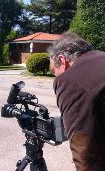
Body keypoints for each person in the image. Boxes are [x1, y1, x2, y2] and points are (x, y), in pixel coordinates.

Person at [48, 32, 105, 171]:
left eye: (53, 71)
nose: (55, 76)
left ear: (62, 60)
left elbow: (85, 150)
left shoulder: (70, 80)